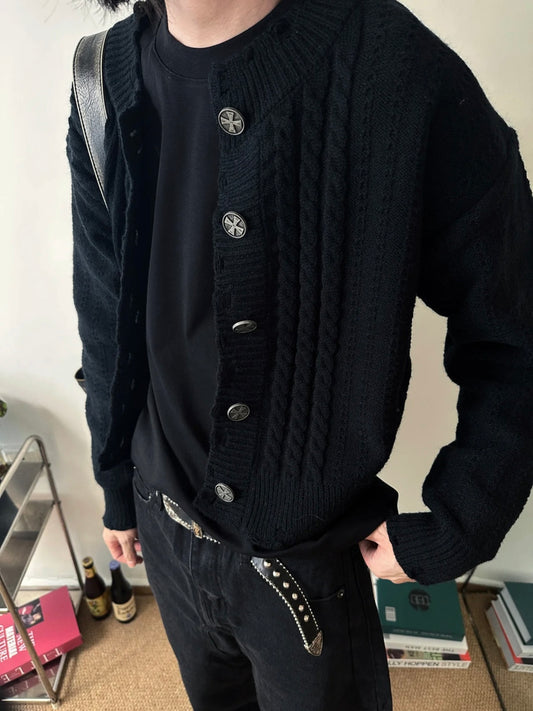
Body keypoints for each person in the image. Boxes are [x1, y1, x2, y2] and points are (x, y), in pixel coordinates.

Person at [67, 0, 533, 708]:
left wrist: (460, 518)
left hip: (305, 567)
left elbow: (514, 320)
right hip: (163, 528)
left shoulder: (391, 66)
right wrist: (115, 485)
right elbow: (105, 313)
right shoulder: (100, 75)